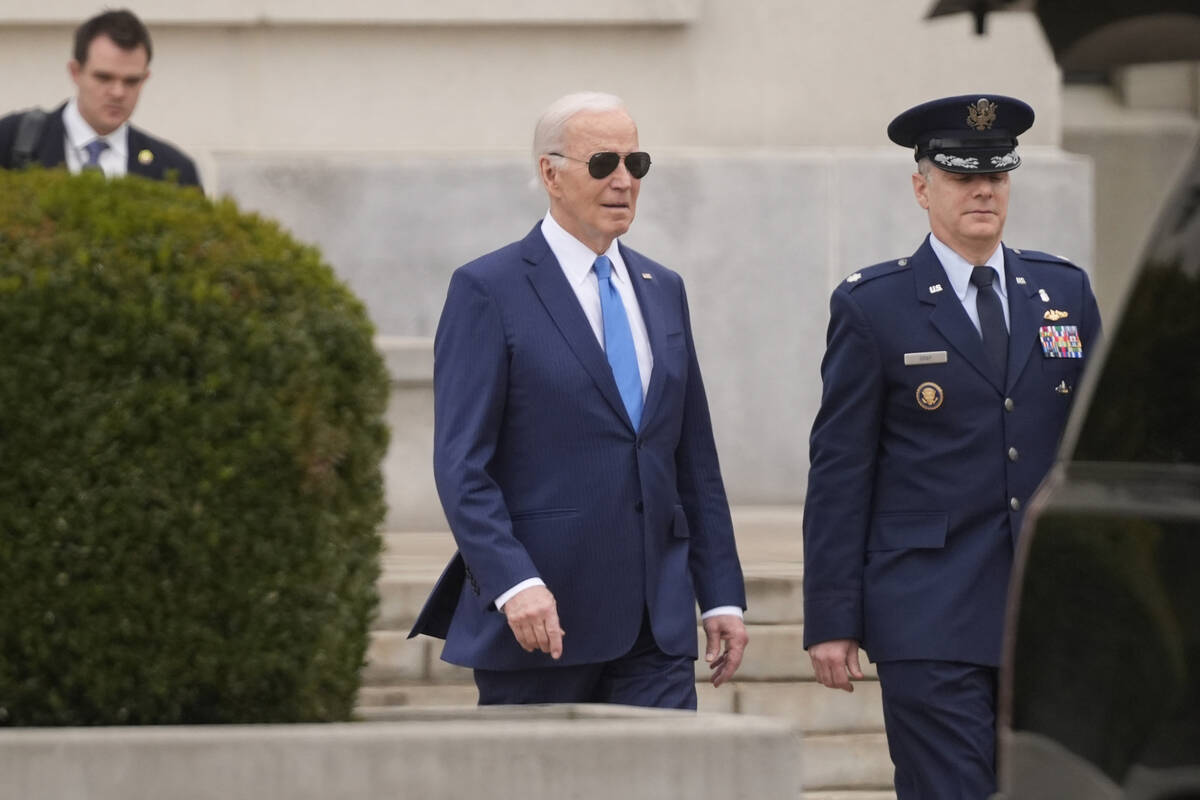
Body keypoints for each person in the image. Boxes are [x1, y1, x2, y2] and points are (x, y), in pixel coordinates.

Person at [803, 94, 1102, 798]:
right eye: (963, 175)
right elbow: (841, 472)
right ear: (922, 187)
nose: (982, 191)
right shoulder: (875, 305)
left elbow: (1091, 450)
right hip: (928, 610)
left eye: (996, 176)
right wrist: (831, 618)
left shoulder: (1063, 291)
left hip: (1045, 612)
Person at [409, 91, 748, 709]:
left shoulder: (663, 288)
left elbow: (693, 457)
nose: (623, 181)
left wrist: (720, 592)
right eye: (603, 164)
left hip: (656, 627)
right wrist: (513, 582)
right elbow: (462, 465)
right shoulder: (488, 289)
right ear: (550, 173)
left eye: (635, 164)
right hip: (542, 622)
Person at [0, 9, 200, 188]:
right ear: (75, 72)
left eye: (131, 81)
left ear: (145, 79)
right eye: (104, 77)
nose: (118, 92)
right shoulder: (11, 140)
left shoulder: (174, 171)